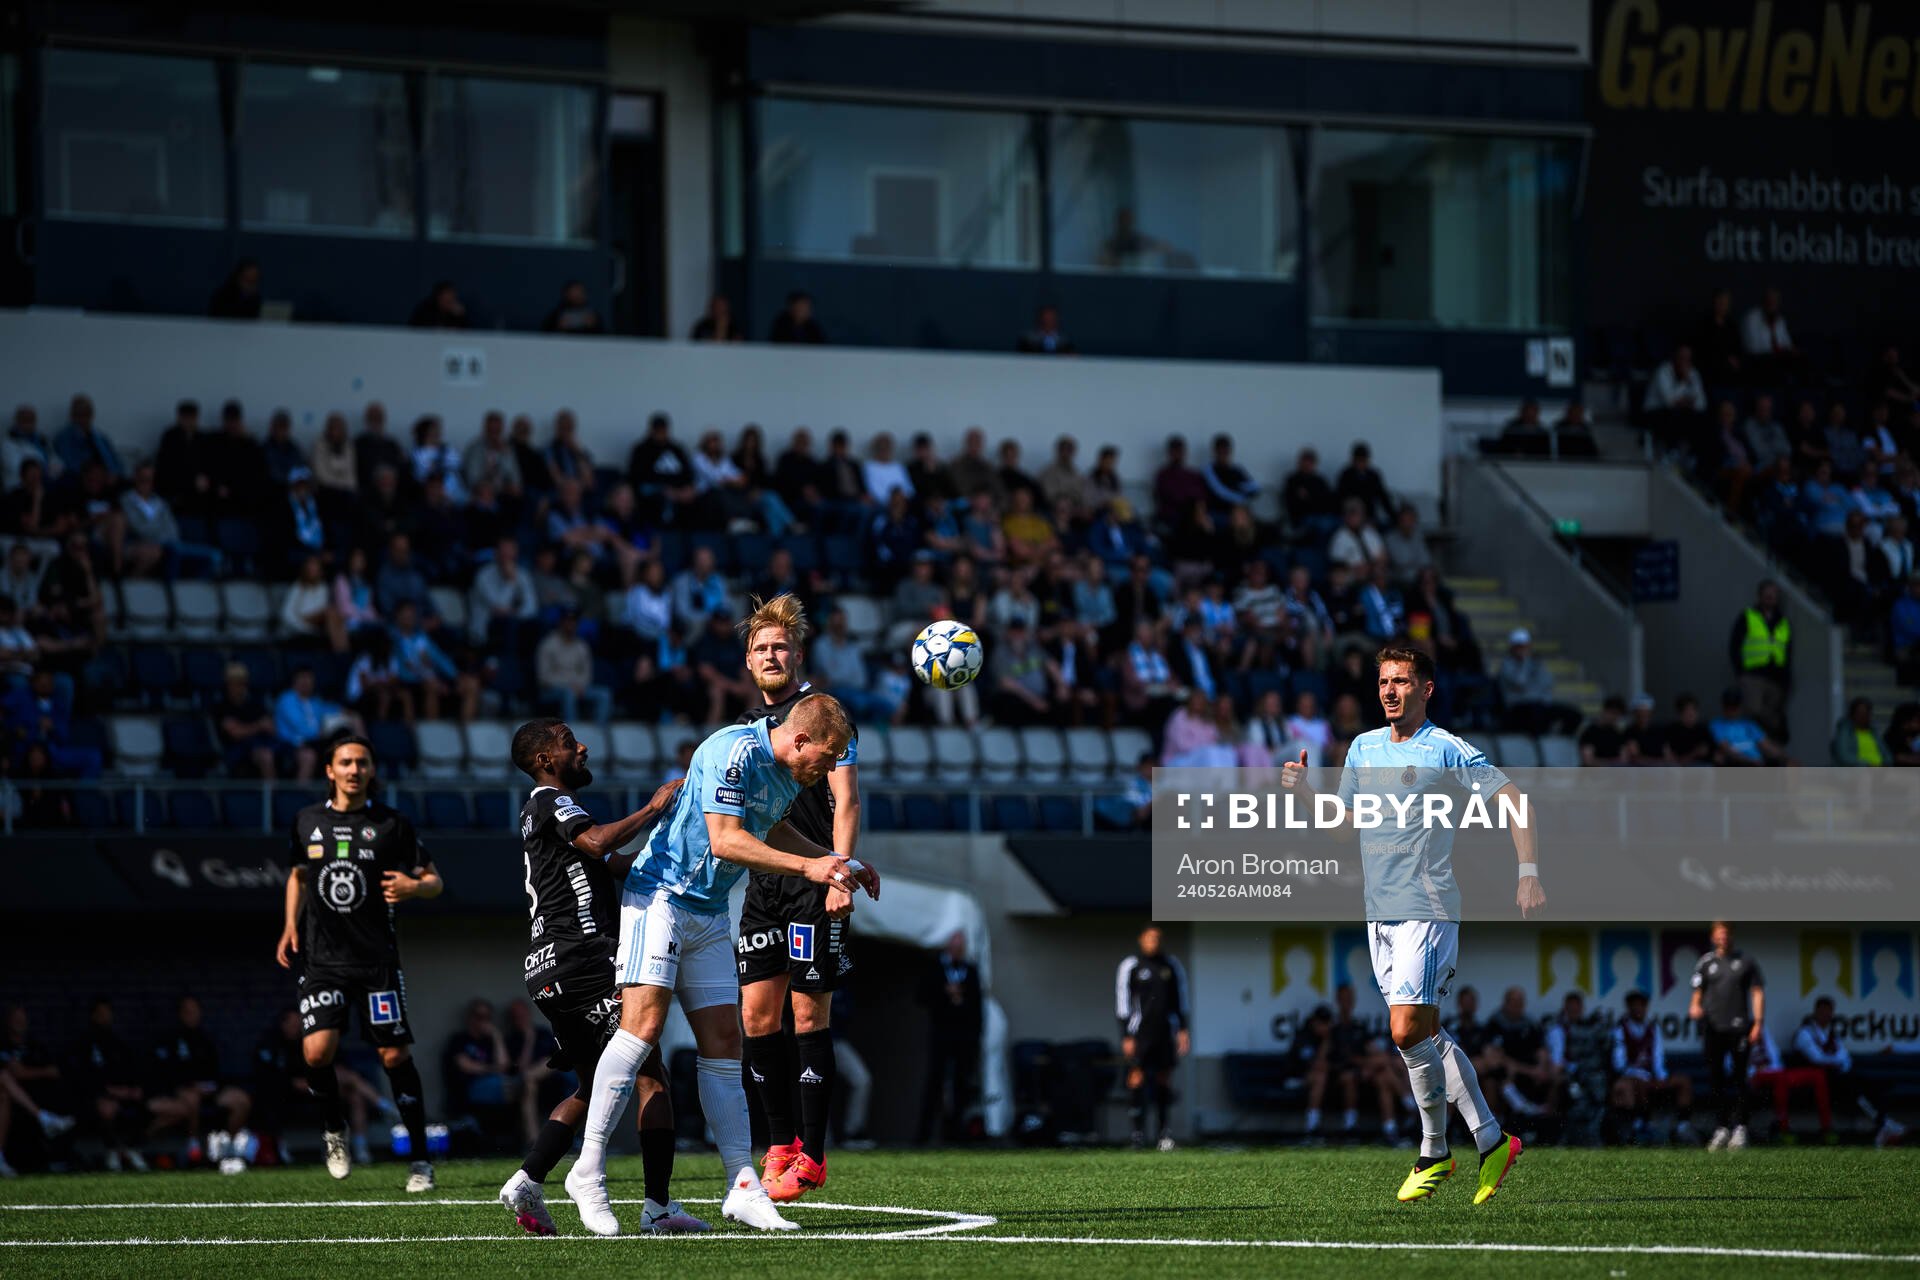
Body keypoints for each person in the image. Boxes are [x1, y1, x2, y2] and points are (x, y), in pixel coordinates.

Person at [562, 695, 876, 1236]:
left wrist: (835, 861)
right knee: (642, 1031)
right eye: (827, 758)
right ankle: (587, 1172)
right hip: (659, 895)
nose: (829, 771)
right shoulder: (733, 751)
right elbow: (727, 840)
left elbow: (770, 828)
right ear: (799, 740)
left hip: (707, 910)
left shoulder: (786, 777)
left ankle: (741, 1186)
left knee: (726, 1043)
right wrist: (812, 867)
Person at [1283, 645, 1538, 1204]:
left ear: (1426, 688)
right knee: (1420, 1035)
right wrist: (1305, 795)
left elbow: (1516, 800)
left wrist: (1527, 871)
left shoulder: (1445, 749)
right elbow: (1344, 829)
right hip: (1379, 912)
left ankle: (1434, 1151)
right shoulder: (1362, 747)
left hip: (1429, 905)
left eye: (1401, 681)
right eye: (1382, 682)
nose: (1389, 691)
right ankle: (1488, 1141)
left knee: (1403, 1031)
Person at [495, 719, 693, 1234]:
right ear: (544, 760)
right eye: (566, 742)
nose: (581, 746)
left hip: (549, 968)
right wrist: (653, 808)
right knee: (650, 1075)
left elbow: (617, 862)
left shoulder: (551, 815)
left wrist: (681, 845)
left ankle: (528, 1179)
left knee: (591, 1083)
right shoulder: (551, 802)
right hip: (585, 959)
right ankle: (654, 1206)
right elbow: (600, 841)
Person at [731, 596, 864, 1204]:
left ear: (798, 654)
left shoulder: (827, 716)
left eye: (779, 646)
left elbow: (847, 800)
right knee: (758, 1018)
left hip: (815, 884)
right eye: (760, 648)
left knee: (809, 1017)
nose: (770, 656)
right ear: (750, 661)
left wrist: (838, 874)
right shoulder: (750, 729)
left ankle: (812, 1154)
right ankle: (779, 1144)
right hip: (766, 885)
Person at [273, 734, 443, 1191]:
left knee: (393, 1054)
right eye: (345, 762)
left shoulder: (391, 824)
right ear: (329, 769)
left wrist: (414, 888)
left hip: (376, 962)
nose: (354, 769)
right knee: (316, 1051)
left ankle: (421, 1162)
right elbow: (298, 876)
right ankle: (334, 1130)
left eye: (362, 762)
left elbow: (434, 880)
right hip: (322, 959)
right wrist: (290, 925)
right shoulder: (306, 821)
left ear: (371, 770)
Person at [145, 995, 252, 1166]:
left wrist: (209, 1086)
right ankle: (193, 1146)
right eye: (187, 1012)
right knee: (191, 1098)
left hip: (210, 1090)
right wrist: (189, 1085)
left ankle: (228, 1148)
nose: (191, 1015)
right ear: (180, 1014)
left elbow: (216, 1072)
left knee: (241, 1100)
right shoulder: (170, 1039)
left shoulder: (206, 1039)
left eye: (194, 1011)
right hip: (183, 1092)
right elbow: (167, 1073)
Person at [1689, 920, 1765, 1150]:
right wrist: (1694, 1007)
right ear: (1713, 937)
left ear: (1732, 936)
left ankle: (1741, 1127)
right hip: (1713, 1028)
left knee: (1740, 1077)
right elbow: (1697, 994)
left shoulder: (1746, 962)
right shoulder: (1706, 963)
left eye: (1727, 933)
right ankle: (1721, 1127)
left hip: (1739, 1026)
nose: (1723, 937)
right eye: (1719, 934)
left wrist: (1758, 1023)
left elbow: (1757, 993)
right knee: (1715, 1078)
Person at [1792, 996, 1907, 1147]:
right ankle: (1884, 1125)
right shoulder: (1805, 1033)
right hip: (1819, 1082)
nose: (1827, 1015)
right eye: (1824, 1011)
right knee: (1853, 1088)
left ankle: (1884, 1124)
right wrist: (1836, 1061)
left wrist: (1838, 1062)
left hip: (1839, 1077)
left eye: (1830, 1011)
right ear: (1816, 1011)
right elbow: (1817, 1058)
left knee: (1871, 1084)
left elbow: (1844, 1058)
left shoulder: (1831, 1034)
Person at [1114, 925, 1189, 1151]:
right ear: (1141, 940)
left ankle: (1163, 1135)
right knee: (1136, 1077)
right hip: (1140, 1033)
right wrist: (1126, 1034)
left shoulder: (1171, 965)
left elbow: (1181, 999)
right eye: (1149, 938)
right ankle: (1137, 1135)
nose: (1153, 942)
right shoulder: (1131, 966)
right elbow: (1123, 1002)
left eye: (1157, 938)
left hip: (1165, 1031)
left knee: (1164, 1079)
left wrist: (1183, 1029)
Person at [918, 930, 982, 1146]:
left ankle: (957, 1135)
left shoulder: (970, 970)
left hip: (963, 1037)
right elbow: (921, 997)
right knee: (935, 1081)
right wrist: (943, 992)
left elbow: (977, 1006)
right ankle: (923, 1135)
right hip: (941, 1034)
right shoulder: (935, 968)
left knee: (961, 1084)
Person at [1607, 990, 1694, 1144]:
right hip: (1632, 1077)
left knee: (1683, 1081)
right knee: (1635, 1084)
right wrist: (1638, 1075)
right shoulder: (1620, 1029)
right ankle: (1641, 1126)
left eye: (1641, 1005)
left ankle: (1682, 1126)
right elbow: (1619, 1064)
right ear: (1628, 1007)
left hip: (1651, 1076)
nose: (1638, 1009)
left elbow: (1658, 1057)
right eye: (1634, 1005)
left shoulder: (1653, 1029)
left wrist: (1661, 1077)